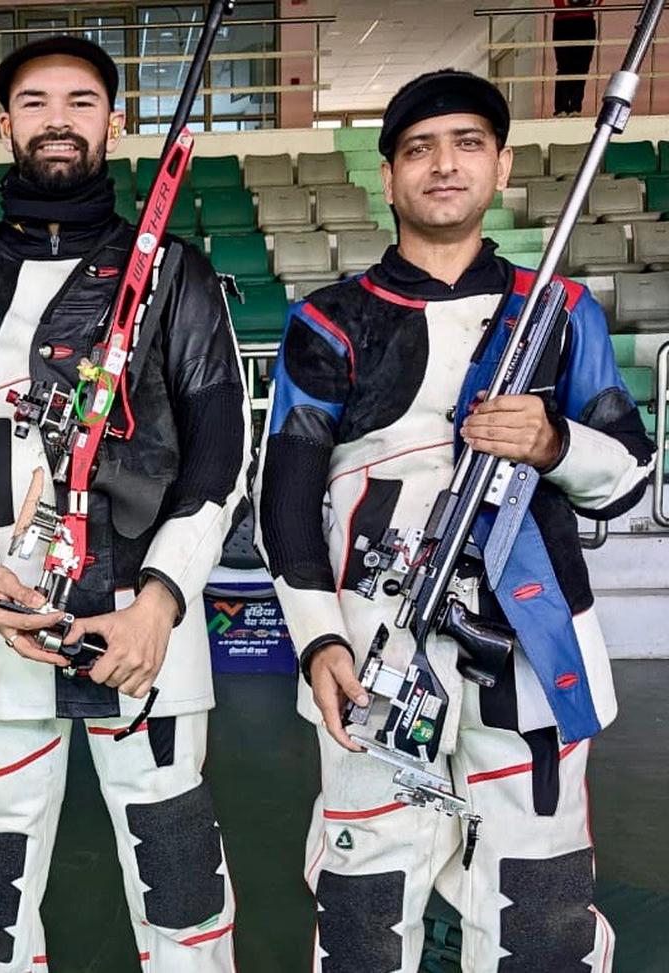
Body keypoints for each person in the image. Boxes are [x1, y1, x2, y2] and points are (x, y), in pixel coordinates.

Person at [254, 69, 653, 973]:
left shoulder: (562, 312)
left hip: (535, 641)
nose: (444, 165)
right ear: (389, 175)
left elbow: (630, 475)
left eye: (468, 143)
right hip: (373, 654)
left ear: (501, 166)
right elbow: (283, 499)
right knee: (362, 904)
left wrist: (555, 441)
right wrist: (321, 643)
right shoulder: (327, 321)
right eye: (420, 149)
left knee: (538, 906)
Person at [0, 36, 248, 973]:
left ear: (114, 121)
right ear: (3, 122)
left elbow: (220, 458)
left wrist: (158, 604)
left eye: (83, 100)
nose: (60, 119)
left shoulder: (175, 273)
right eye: (38, 101)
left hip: (149, 640)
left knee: (184, 891)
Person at [553, 0, 601, 116]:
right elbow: (560, 4)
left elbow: (596, 3)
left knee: (582, 66)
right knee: (564, 65)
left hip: (584, 21)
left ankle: (575, 107)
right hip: (564, 22)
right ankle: (562, 108)